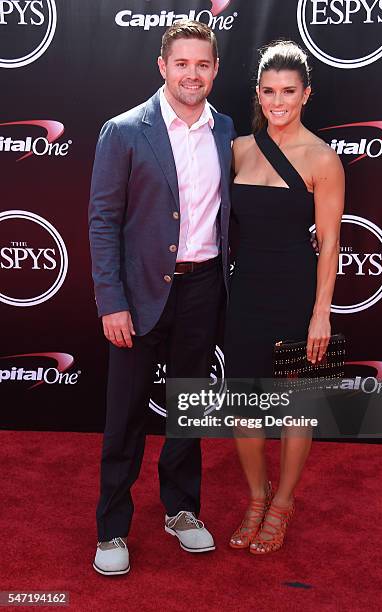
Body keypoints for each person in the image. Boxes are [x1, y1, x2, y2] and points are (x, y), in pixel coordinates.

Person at [88, 20, 234, 575]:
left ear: (215, 69)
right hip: (139, 293)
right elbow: (103, 221)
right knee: (125, 415)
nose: (191, 74)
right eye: (182, 64)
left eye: (202, 64)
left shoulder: (225, 131)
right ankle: (111, 528)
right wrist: (111, 301)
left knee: (189, 406)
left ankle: (181, 509)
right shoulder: (124, 131)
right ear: (162, 66)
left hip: (203, 288)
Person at [224, 40, 344, 554]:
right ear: (258, 93)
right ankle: (257, 497)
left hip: (297, 294)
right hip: (245, 291)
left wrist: (322, 314)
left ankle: (283, 503)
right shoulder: (237, 149)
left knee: (298, 408)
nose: (279, 101)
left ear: (306, 94)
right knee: (245, 409)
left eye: (289, 92)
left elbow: (332, 244)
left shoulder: (323, 158)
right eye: (270, 91)